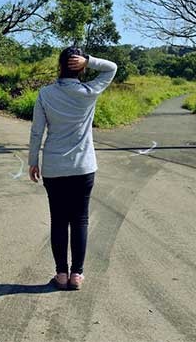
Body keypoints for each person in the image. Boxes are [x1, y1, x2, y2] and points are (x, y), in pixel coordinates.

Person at [28, 46, 117, 291]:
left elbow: (37, 131)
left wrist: (32, 160)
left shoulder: (45, 94)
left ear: (59, 66)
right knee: (80, 220)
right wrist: (90, 61)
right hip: (83, 167)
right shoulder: (89, 91)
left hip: (54, 167)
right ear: (79, 67)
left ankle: (61, 275)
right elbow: (111, 68)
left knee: (58, 220)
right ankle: (77, 275)